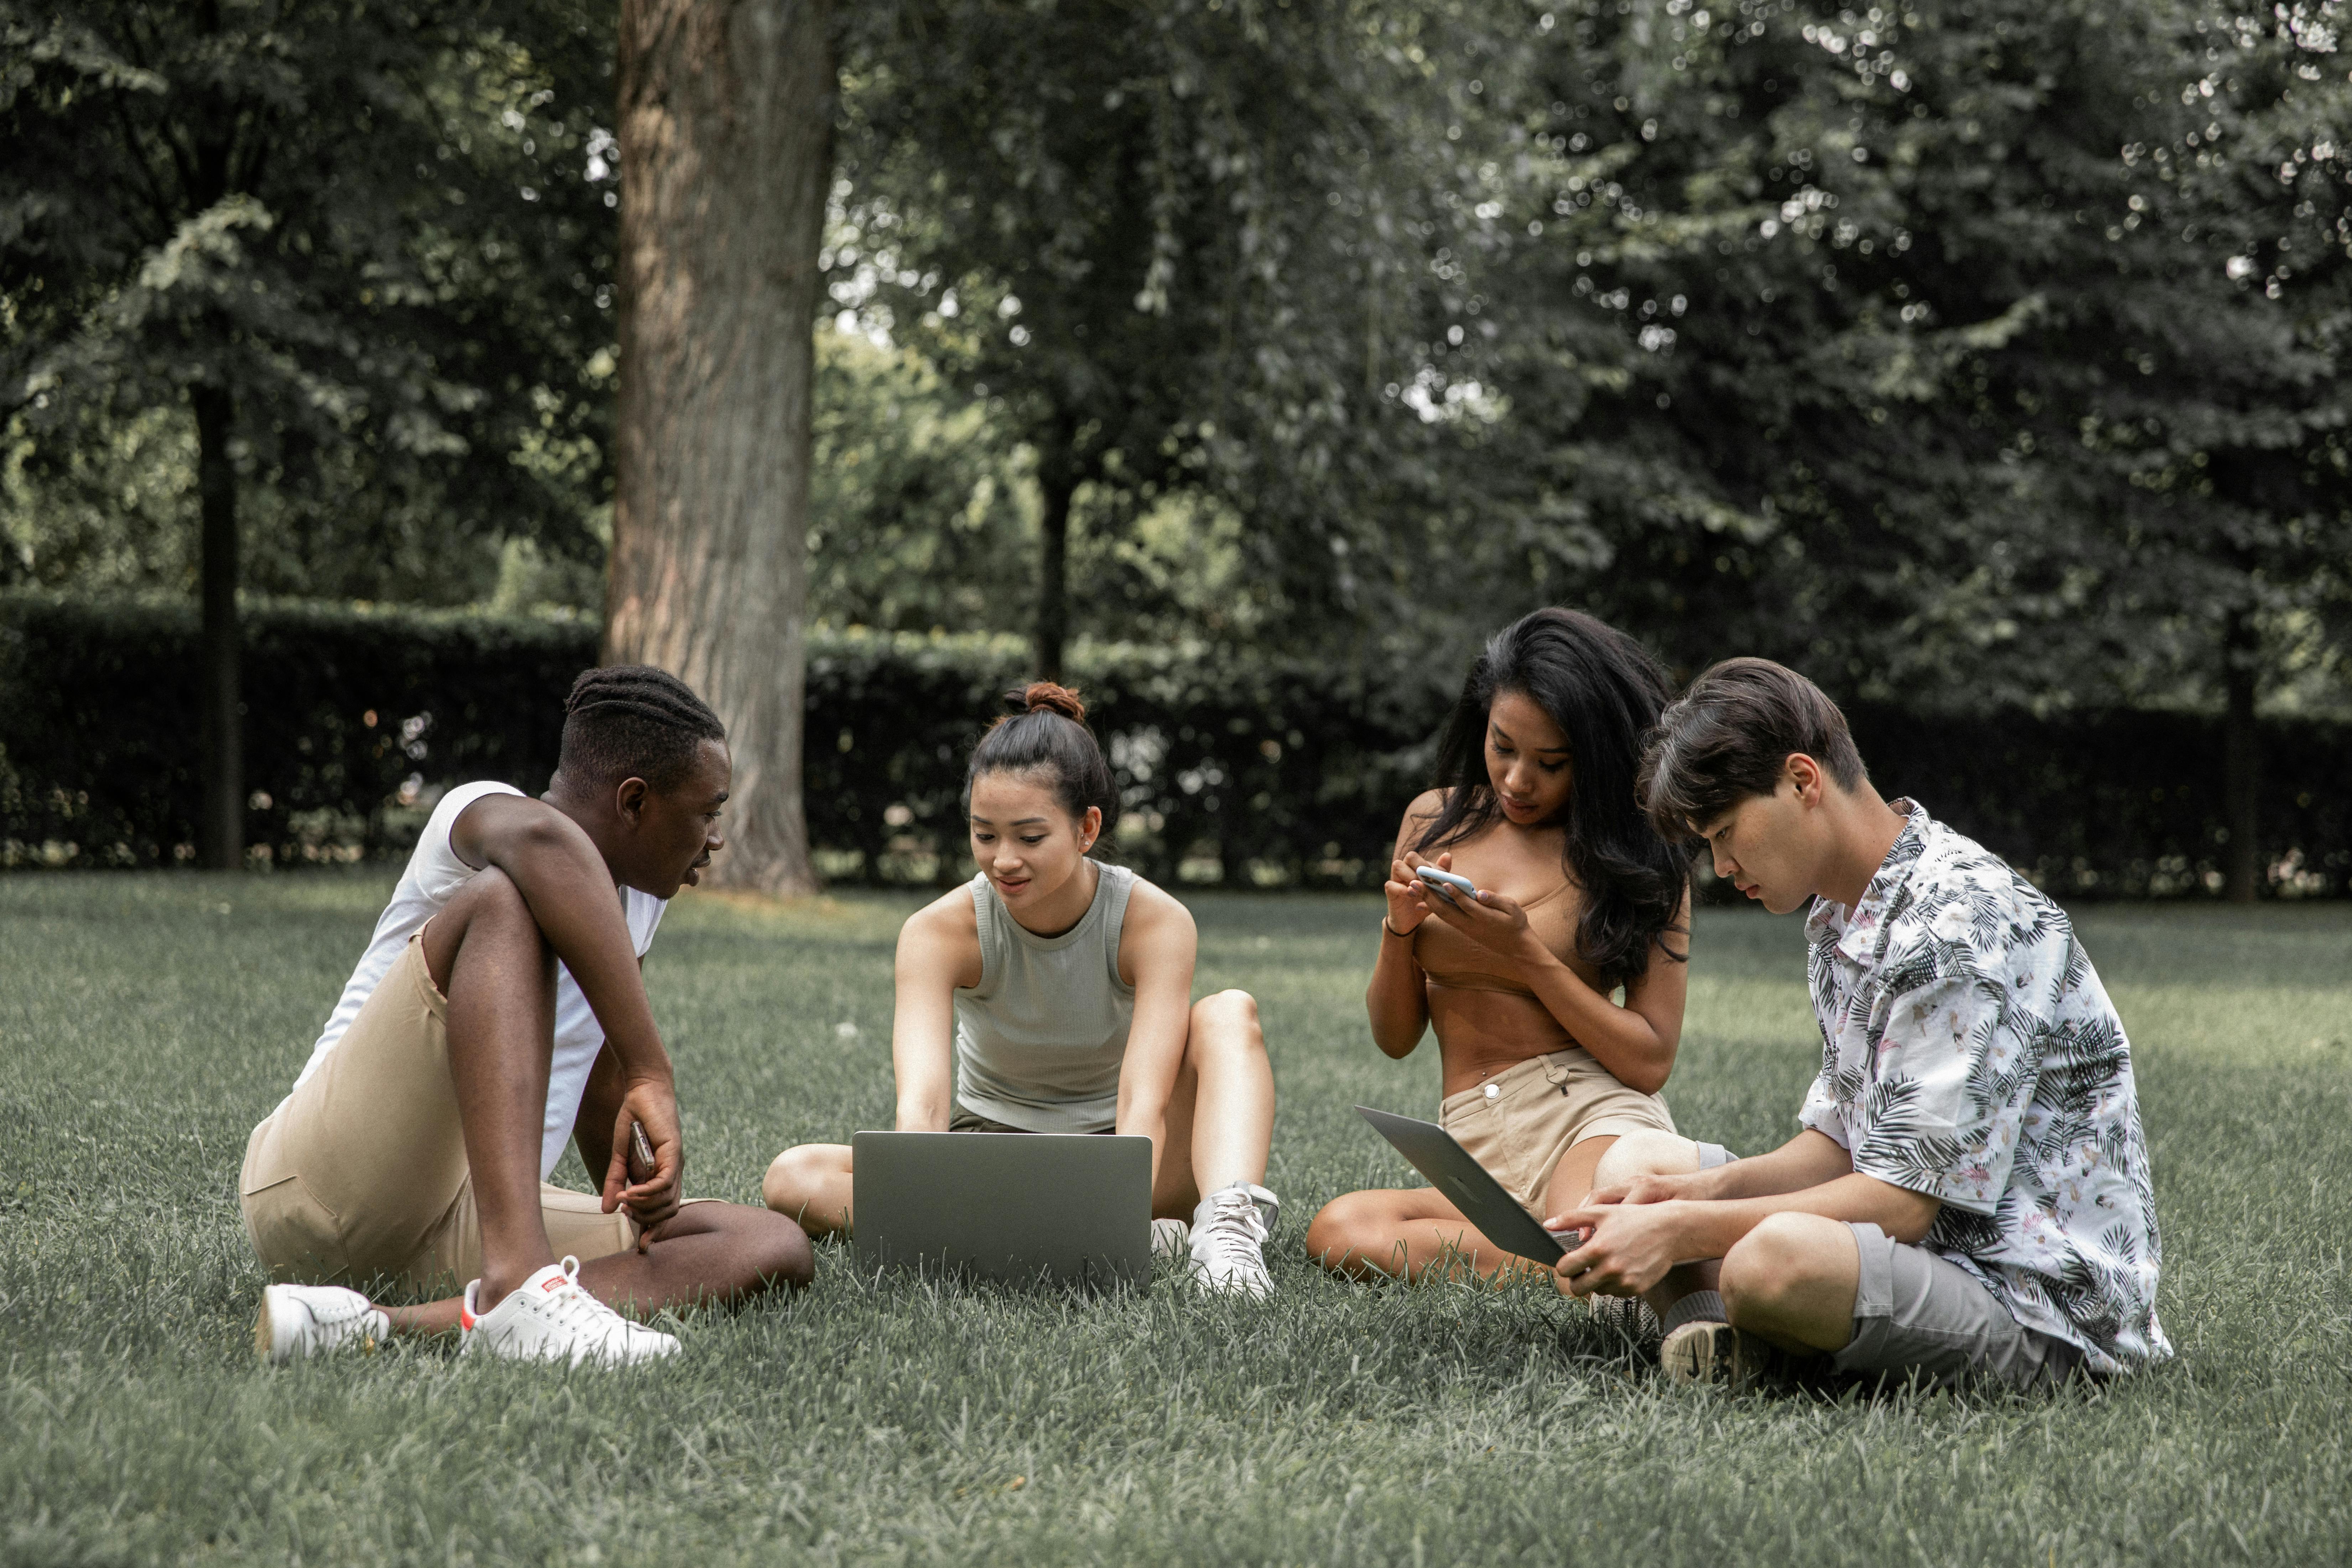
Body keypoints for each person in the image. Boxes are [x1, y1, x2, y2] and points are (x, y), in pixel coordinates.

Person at [1546, 656, 2171, 1389]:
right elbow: (1838, 1146)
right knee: (1634, 1163)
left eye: (1723, 832)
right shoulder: (1844, 913)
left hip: (2035, 1305)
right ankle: (1716, 1341)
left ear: (1802, 780)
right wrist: (1678, 1197)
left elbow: (1899, 1204)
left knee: (1771, 1259)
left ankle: (1739, 1327)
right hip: (1924, 1251)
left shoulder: (1954, 921)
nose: (1719, 865)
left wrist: (1680, 1228)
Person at [242, 667, 813, 1367]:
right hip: (319, 1190)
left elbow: (589, 1056)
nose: (715, 838)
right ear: (635, 800)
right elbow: (547, 846)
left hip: (468, 1226)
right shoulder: (483, 812)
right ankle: (519, 1283)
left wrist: (641, 1187)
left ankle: (377, 1323)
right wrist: (650, 1068)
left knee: (765, 1243)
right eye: (707, 810)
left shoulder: (636, 902)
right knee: (505, 901)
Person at [763, 683, 1282, 1296]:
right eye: (985, 835)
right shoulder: (937, 931)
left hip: (1123, 1160)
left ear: (1087, 828)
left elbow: (1145, 1098)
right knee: (794, 1177)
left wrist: (1115, 1201)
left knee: (1228, 1012)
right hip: (992, 1155)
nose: (1003, 859)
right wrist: (918, 1196)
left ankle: (1225, 1236)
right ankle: (1113, 1235)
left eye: (1029, 837)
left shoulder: (1155, 921)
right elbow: (924, 1107)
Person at [1304, 609, 1712, 1282]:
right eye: (1503, 747)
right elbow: (1395, 1036)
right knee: (1341, 1230)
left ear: (1597, 755)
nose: (1519, 780)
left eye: (1552, 762)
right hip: (1473, 1145)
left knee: (1589, 1229)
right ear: (1481, 726)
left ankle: (1593, 1252)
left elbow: (1650, 1059)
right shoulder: (1432, 820)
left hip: (1589, 1116)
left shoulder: (1642, 854)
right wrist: (1400, 930)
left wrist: (1525, 955)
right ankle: (1573, 1262)